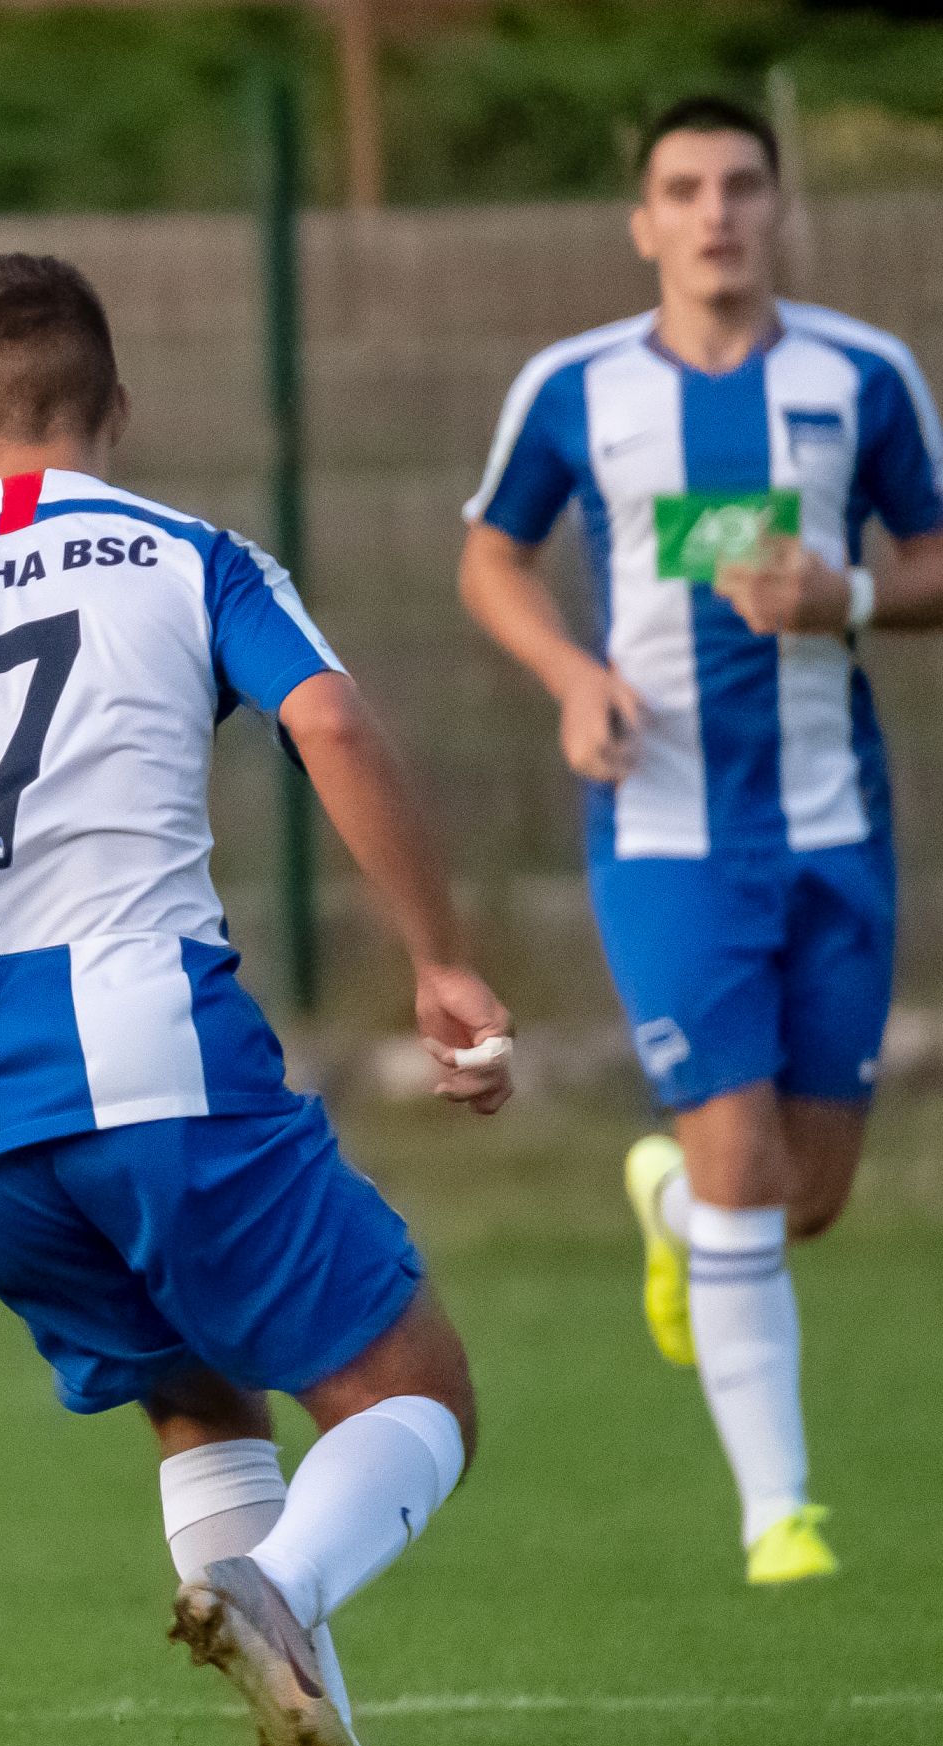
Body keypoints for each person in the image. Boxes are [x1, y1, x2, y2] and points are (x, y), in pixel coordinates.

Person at [0, 254, 511, 1746]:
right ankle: (274, 1592)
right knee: (413, 1391)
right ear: (116, 410)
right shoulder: (188, 556)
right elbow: (334, 725)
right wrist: (440, 962)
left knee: (198, 1396)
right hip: (150, 1041)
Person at [458, 96, 943, 1585]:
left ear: (777, 206)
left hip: (834, 826)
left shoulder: (862, 376)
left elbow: (929, 557)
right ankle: (777, 1514)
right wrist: (574, 675)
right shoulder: (576, 387)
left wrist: (848, 600)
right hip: (662, 832)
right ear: (644, 221)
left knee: (804, 1194)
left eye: (740, 185)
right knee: (741, 1154)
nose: (716, 212)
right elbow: (492, 557)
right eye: (685, 189)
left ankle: (664, 1201)